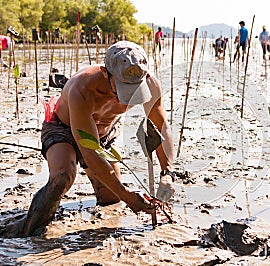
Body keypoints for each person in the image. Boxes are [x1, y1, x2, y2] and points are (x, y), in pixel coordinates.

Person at [9, 41, 176, 237]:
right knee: (63, 176)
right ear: (106, 73)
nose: (130, 96)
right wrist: (127, 195)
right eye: (123, 87)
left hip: (105, 131)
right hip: (64, 128)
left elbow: (161, 128)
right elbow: (90, 150)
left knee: (112, 198)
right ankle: (29, 232)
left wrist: (168, 173)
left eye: (135, 88)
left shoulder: (150, 85)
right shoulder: (83, 88)